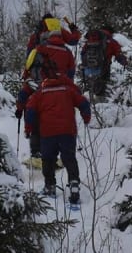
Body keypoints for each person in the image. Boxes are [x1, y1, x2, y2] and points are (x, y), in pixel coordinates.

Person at [15, 18, 77, 168]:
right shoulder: (65, 48)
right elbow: (74, 43)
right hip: (60, 89)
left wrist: (19, 107)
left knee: (36, 118)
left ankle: (37, 154)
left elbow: (28, 64)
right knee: (60, 118)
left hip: (38, 88)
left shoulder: (37, 44)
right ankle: (62, 154)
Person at [24, 74, 91, 204]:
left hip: (48, 132)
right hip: (68, 131)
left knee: (48, 159)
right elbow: (83, 102)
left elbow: (30, 111)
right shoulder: (68, 90)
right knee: (69, 158)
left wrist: (28, 129)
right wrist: (86, 117)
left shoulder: (40, 93)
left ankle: (50, 186)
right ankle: (74, 183)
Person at [80, 26, 127, 98]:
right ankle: (100, 102)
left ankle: (91, 100)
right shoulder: (111, 41)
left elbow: (83, 52)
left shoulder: (91, 39)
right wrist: (124, 61)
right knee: (101, 86)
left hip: (88, 69)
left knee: (90, 87)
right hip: (103, 67)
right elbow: (118, 55)